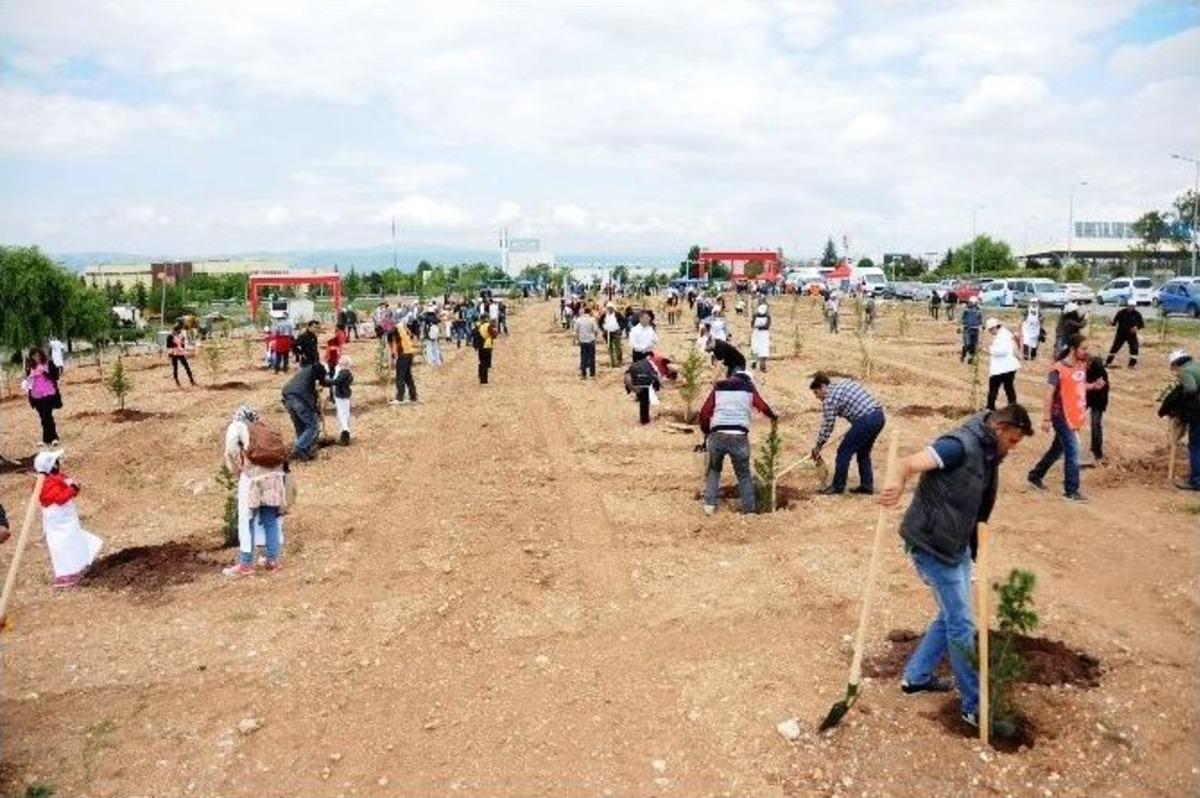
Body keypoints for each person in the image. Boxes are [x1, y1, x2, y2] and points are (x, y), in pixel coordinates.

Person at [879, 404, 1034, 730]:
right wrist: (896, 482)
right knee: (961, 624)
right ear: (1000, 428)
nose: (1013, 448)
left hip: (956, 546)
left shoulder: (988, 451)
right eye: (1013, 441)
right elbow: (907, 463)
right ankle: (974, 707)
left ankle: (916, 678)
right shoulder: (958, 446)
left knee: (950, 615)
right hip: (933, 546)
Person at [1027, 333, 1102, 502]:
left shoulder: (1081, 365)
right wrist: (1046, 419)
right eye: (1083, 348)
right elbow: (1048, 394)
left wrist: (1093, 386)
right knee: (1073, 450)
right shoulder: (1058, 369)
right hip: (1061, 415)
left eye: (1087, 348)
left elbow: (1078, 384)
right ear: (1073, 349)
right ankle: (1071, 491)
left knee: (1057, 449)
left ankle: (1035, 476)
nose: (1087, 351)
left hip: (1074, 415)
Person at [698, 368, 778, 514]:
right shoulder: (749, 388)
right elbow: (762, 406)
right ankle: (749, 510)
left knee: (714, 470)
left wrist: (706, 430)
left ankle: (709, 505)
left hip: (717, 434)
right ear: (749, 379)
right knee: (743, 474)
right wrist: (773, 417)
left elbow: (705, 412)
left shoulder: (719, 386)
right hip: (739, 436)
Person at [35, 449, 103, 588]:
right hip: (60, 520)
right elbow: (60, 499)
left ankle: (79, 565)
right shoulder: (47, 483)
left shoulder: (56, 478)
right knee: (65, 543)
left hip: (66, 517)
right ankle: (68, 573)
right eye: (56, 462)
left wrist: (74, 487)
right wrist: (72, 488)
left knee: (74, 539)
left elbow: (66, 491)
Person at [810, 372, 886, 495]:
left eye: (816, 392)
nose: (817, 397)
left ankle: (838, 486)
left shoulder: (830, 399)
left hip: (865, 420)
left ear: (823, 387)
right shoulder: (843, 382)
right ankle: (867, 486)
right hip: (878, 416)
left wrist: (818, 446)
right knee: (863, 452)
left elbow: (828, 425)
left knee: (843, 452)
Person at [1161, 349, 1200, 491]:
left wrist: (1180, 403)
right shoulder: (1196, 366)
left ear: (1176, 363)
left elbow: (1191, 389)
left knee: (1196, 447)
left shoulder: (1185, 371)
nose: (1174, 371)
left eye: (1173, 367)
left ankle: (1196, 481)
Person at [281, 354, 330, 461]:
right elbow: (321, 384)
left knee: (301, 426)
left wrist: (316, 408)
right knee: (313, 426)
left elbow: (312, 394)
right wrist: (333, 382)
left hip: (287, 398)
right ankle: (298, 448)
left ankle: (304, 452)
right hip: (299, 398)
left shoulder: (305, 373)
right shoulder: (318, 368)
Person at [24, 347, 61, 446]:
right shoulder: (30, 367)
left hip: (49, 392)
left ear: (42, 355)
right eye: (34, 356)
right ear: (31, 357)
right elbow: (28, 380)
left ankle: (53, 438)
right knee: (42, 417)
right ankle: (48, 439)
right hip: (36, 395)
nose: (37, 357)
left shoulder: (48, 364)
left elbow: (56, 376)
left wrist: (44, 372)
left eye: (38, 355)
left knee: (47, 415)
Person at [985, 317, 1020, 410]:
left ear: (994, 328)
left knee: (994, 388)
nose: (990, 332)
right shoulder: (1005, 333)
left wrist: (989, 349)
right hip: (1008, 367)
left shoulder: (1002, 336)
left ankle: (990, 408)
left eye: (990, 330)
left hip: (1002, 368)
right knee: (1009, 387)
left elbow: (1003, 351)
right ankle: (1013, 406)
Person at [1106, 298, 1144, 369]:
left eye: (1133, 306)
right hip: (1121, 334)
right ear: (1127, 305)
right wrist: (1110, 322)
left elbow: (1141, 324)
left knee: (1134, 348)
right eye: (1130, 306)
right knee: (1115, 348)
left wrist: (1136, 327)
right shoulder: (1121, 313)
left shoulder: (1137, 314)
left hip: (1131, 334)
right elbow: (1114, 323)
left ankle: (1132, 365)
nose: (1131, 307)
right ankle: (1108, 363)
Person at [1085, 355, 1109, 466]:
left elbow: (1103, 387)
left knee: (1095, 424)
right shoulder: (1082, 370)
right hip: (1087, 397)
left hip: (1098, 399)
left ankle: (1097, 451)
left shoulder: (1099, 371)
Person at [624, 355, 661, 425]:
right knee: (644, 397)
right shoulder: (651, 364)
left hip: (638, 375)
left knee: (643, 396)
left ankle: (644, 419)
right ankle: (644, 420)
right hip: (642, 377)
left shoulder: (634, 367)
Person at [389, 323, 419, 405]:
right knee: (408, 376)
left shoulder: (393, 331)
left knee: (400, 377)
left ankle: (400, 398)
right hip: (410, 354)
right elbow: (411, 337)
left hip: (403, 355)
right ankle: (413, 396)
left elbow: (393, 344)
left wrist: (393, 354)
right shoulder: (403, 327)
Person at [332, 356, 354, 445]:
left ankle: (345, 434)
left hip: (341, 396)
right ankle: (345, 433)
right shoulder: (347, 373)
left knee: (342, 415)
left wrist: (325, 381)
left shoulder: (343, 373)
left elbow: (336, 382)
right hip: (344, 396)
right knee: (344, 414)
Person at [167, 322, 196, 387]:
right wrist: (173, 348)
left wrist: (182, 343)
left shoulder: (180, 335)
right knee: (175, 368)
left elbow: (182, 345)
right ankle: (177, 381)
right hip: (174, 353)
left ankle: (192, 380)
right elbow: (168, 346)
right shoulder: (170, 336)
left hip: (180, 353)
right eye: (179, 330)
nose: (180, 331)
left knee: (187, 367)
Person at [575, 306, 599, 379]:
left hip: (582, 340)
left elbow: (576, 330)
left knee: (583, 357)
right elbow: (595, 330)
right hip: (591, 340)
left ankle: (583, 374)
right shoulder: (592, 320)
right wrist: (595, 337)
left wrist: (577, 339)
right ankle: (592, 374)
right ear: (590, 312)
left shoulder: (579, 320)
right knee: (592, 358)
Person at [474, 315, 497, 384]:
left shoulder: (478, 325)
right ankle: (484, 379)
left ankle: (480, 375)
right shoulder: (488, 326)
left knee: (481, 362)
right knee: (486, 363)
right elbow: (494, 335)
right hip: (487, 345)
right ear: (486, 318)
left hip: (480, 345)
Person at [960, 298, 983, 363]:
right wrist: (961, 326)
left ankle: (971, 358)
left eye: (972, 302)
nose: (971, 304)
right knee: (967, 344)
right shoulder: (966, 310)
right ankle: (964, 355)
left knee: (974, 345)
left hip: (975, 329)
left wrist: (982, 325)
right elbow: (961, 319)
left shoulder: (978, 310)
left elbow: (980, 319)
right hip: (967, 329)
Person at [751, 302, 771, 371]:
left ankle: (761, 365)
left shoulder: (757, 315)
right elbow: (766, 326)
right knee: (757, 348)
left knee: (759, 348)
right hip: (760, 334)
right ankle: (755, 362)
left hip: (760, 334)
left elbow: (766, 326)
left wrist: (757, 327)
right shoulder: (766, 316)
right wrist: (759, 327)